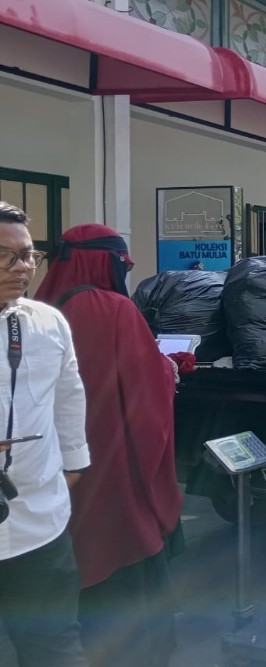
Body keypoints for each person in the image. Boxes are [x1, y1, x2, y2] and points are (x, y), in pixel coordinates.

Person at [35, 225, 183, 667]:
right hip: (110, 463)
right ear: (103, 261)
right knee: (120, 546)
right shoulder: (114, 308)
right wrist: (167, 370)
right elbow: (143, 393)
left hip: (49, 466)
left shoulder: (36, 311)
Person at [0, 202, 90, 667]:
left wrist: (72, 466)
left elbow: (69, 397)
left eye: (29, 255)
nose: (22, 269)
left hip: (38, 523)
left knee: (54, 647)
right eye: (6, 256)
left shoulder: (46, 321)